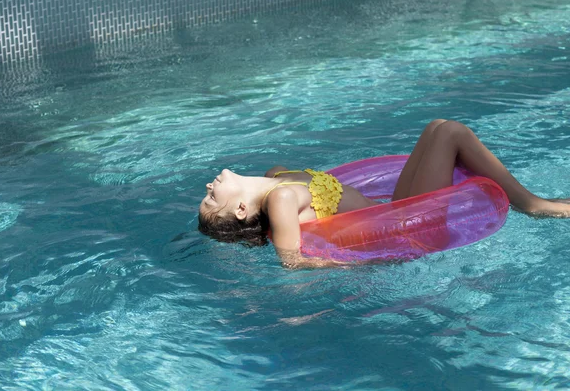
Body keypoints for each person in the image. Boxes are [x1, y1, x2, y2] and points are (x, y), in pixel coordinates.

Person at [198, 119, 570, 269]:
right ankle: (534, 205)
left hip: (395, 208)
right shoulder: (278, 201)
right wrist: (369, 263)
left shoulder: (276, 179)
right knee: (449, 133)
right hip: (411, 227)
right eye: (213, 199)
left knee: (436, 127)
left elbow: (289, 181)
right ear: (243, 208)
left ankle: (534, 203)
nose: (208, 187)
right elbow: (292, 261)